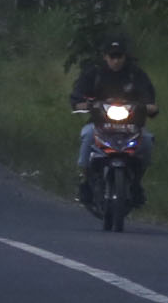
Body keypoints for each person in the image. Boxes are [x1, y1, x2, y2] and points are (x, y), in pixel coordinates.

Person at [68, 34, 159, 200]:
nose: (116, 61)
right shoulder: (94, 74)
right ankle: (86, 182)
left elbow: (149, 99)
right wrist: (83, 104)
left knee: (146, 140)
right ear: (105, 56)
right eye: (112, 56)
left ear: (125, 57)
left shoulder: (136, 75)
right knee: (88, 135)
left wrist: (149, 106)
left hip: (132, 127)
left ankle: (136, 183)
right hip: (100, 126)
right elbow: (77, 97)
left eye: (119, 56)